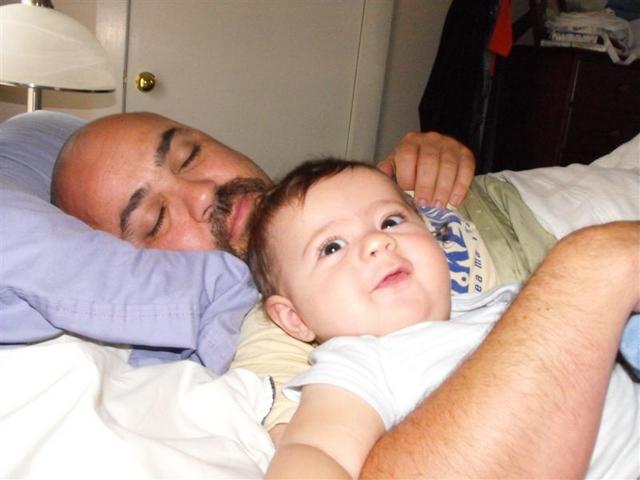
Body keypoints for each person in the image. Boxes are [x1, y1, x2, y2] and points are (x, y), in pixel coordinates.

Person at [50, 112, 638, 477]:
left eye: (190, 156)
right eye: (155, 218)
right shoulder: (294, 339)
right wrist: (587, 273)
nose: (203, 192)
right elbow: (318, 449)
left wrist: (431, 160)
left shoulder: (369, 189)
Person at [245, 158, 639, 479]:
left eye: (390, 221)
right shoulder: (359, 363)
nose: (378, 241)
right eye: (332, 246)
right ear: (294, 319)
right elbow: (315, 452)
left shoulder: (504, 303)